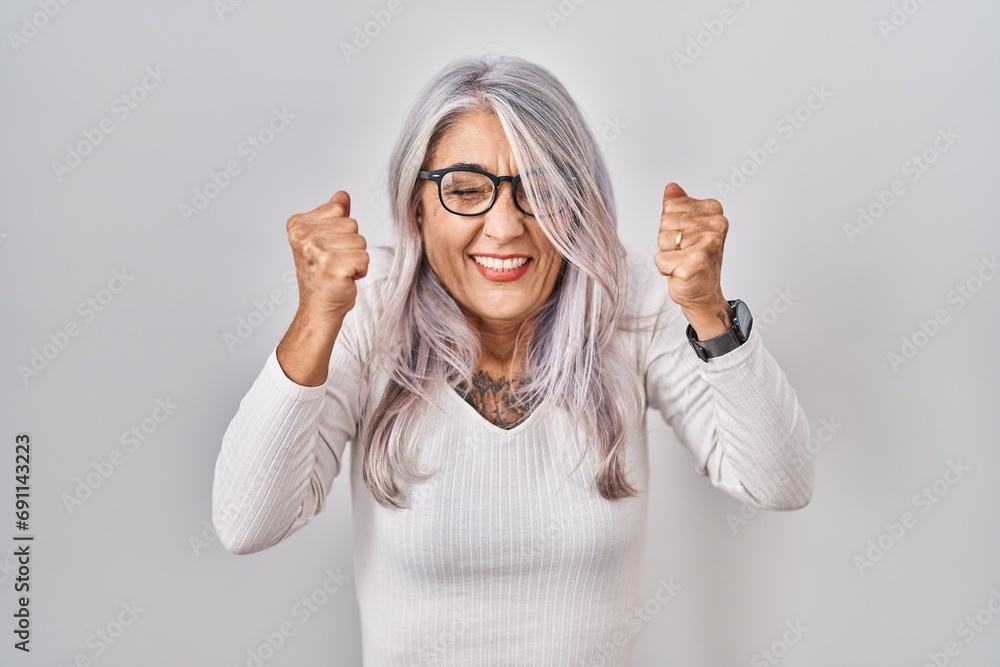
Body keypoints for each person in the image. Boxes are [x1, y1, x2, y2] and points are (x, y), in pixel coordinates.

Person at [211, 54, 814, 666]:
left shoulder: (628, 301)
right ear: (415, 204)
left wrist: (709, 310)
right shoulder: (370, 309)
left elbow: (779, 483)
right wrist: (316, 317)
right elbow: (247, 523)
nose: (504, 227)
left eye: (542, 191)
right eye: (466, 190)